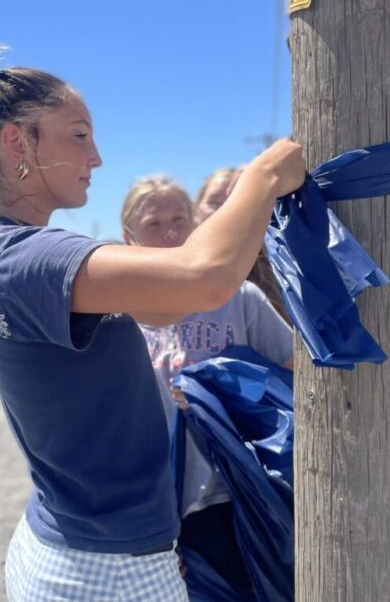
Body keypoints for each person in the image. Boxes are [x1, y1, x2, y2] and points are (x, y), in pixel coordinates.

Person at [0, 45, 306, 600]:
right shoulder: (27, 258)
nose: (96, 158)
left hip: (80, 546)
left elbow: (166, 306)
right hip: (106, 566)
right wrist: (260, 178)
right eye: (79, 135)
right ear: (18, 141)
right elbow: (202, 277)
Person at [121, 174, 295, 599]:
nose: (170, 233)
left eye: (179, 219)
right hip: (175, 507)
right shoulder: (120, 317)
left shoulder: (240, 298)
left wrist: (223, 383)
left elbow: (293, 375)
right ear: (130, 239)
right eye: (153, 224)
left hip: (249, 494)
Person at [196, 167, 291, 322]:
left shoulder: (283, 272)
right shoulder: (178, 267)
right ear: (196, 209)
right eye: (214, 203)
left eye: (237, 202)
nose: (225, 212)